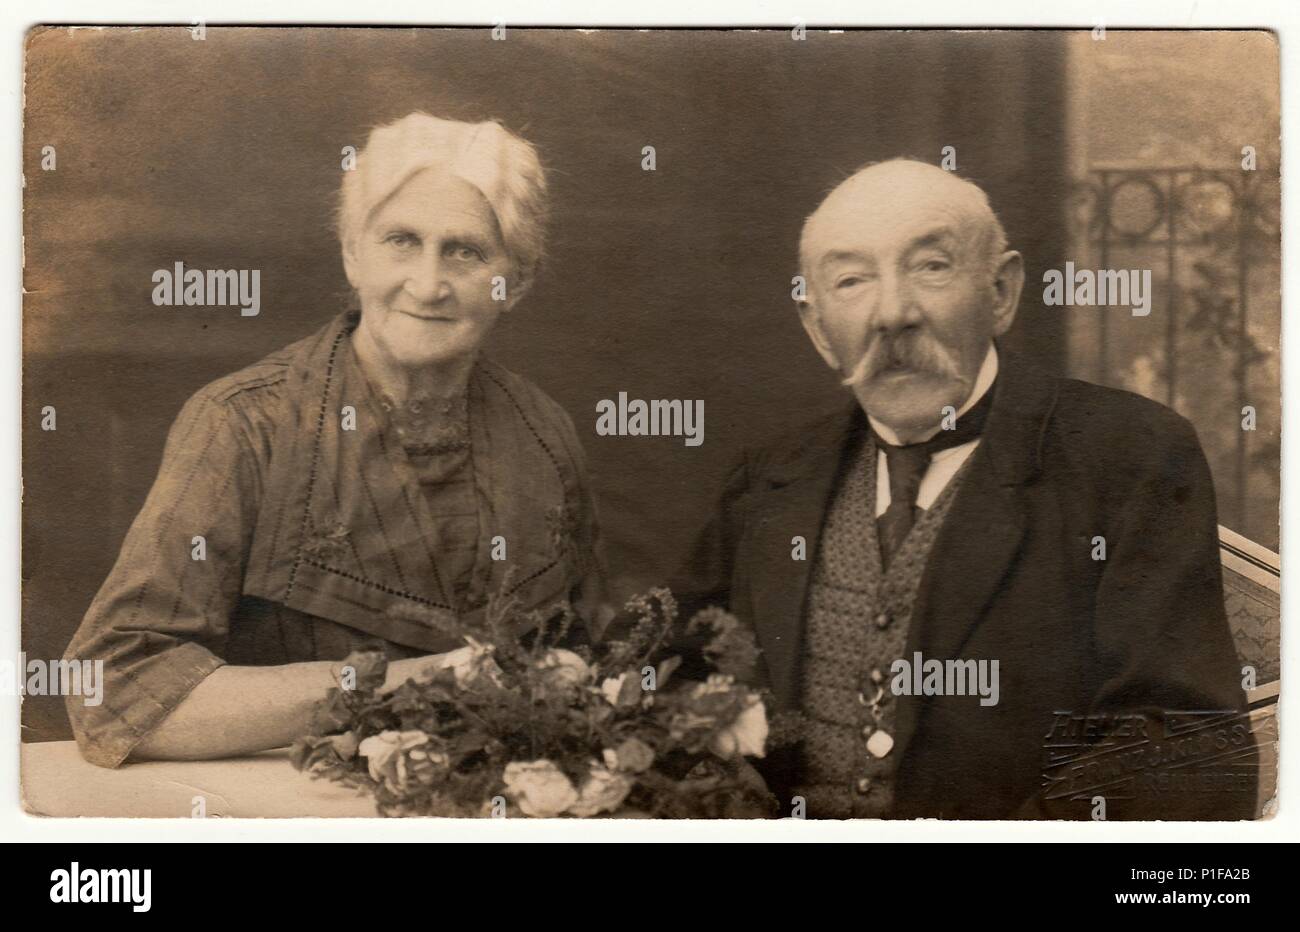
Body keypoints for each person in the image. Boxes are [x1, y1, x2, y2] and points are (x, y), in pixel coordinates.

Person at [668, 158, 1257, 819]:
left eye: (931, 266)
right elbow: (671, 685)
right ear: (815, 326)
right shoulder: (769, 481)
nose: (893, 313)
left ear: (1001, 291)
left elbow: (1183, 748)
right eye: (852, 279)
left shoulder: (1128, 457)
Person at [65, 112, 608, 768]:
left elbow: (585, 661)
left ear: (515, 281)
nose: (429, 283)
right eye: (401, 241)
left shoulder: (545, 436)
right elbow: (112, 691)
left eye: (464, 251)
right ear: (353, 252)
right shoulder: (244, 426)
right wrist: (430, 680)